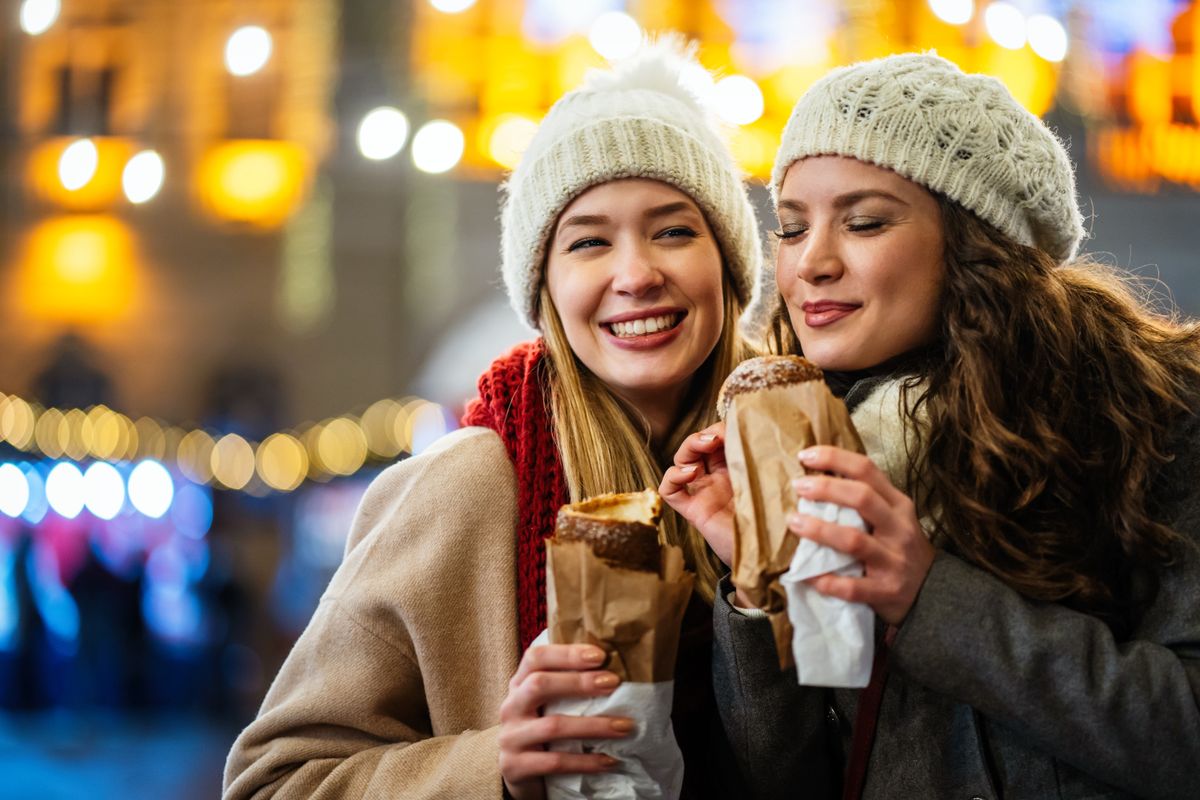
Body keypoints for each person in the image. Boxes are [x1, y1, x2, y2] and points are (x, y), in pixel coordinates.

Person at [223, 38, 764, 800]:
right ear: (545, 288)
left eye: (675, 229)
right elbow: (273, 781)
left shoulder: (804, 457)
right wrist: (494, 766)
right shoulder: (470, 485)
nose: (637, 273)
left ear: (729, 263)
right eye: (589, 242)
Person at [660, 52, 1200, 799]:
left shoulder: (1158, 412)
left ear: (976, 241)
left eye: (865, 221)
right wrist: (756, 581)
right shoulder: (809, 436)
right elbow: (784, 780)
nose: (811, 262)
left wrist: (929, 598)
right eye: (790, 227)